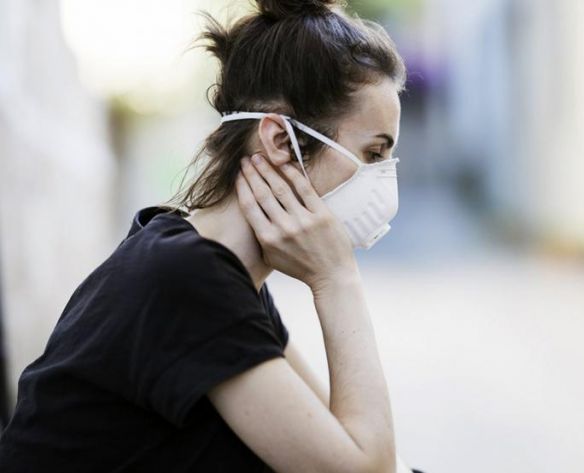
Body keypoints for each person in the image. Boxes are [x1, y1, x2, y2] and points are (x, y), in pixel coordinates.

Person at [0, 1, 425, 472]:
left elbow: (356, 445)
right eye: (372, 153)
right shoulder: (184, 279)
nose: (383, 180)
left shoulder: (213, 270)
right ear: (280, 143)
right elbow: (364, 469)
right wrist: (337, 280)